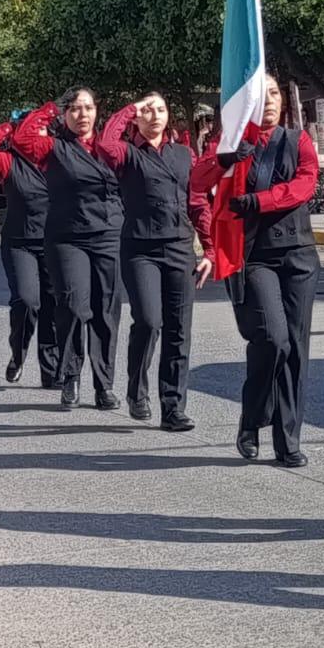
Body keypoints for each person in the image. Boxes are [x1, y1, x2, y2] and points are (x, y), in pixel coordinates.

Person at [190, 74, 320, 467]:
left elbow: (305, 184)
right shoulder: (231, 142)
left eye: (275, 93)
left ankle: (288, 440)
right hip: (253, 255)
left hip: (297, 254)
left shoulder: (298, 141)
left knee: (295, 347)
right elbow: (197, 180)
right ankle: (252, 417)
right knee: (273, 339)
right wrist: (225, 158)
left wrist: (260, 201)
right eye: (261, 95)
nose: (270, 101)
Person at [97, 93, 215, 432]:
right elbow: (106, 144)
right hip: (140, 249)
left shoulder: (184, 154)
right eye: (147, 111)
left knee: (179, 330)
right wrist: (130, 108)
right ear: (136, 118)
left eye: (161, 110)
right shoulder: (127, 154)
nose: (155, 116)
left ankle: (173, 407)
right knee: (149, 321)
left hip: (179, 248)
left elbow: (197, 202)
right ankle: (137, 390)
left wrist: (209, 249)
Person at [13, 88, 125, 409]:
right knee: (74, 306)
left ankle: (104, 385)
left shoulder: (110, 147)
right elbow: (22, 140)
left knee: (105, 311)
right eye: (74, 108)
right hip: (68, 237)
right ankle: (71, 375)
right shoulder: (54, 147)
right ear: (65, 115)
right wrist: (51, 107)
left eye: (88, 107)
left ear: (97, 111)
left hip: (108, 235)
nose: (82, 114)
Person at [0, 115, 60, 388]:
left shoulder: (59, 160)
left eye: (42, 130)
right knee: (27, 301)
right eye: (31, 130)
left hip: (55, 242)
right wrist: (9, 127)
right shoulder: (10, 162)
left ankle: (51, 370)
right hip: (19, 242)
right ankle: (18, 354)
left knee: (53, 306)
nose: (37, 135)